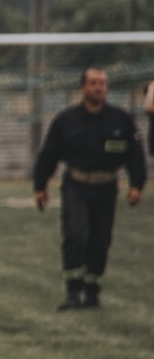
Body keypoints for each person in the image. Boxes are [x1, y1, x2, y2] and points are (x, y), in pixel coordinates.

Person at [33, 67, 146, 310]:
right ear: (82, 87)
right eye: (93, 83)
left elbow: (134, 155)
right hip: (76, 185)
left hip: (106, 187)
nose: (98, 88)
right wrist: (40, 186)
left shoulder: (121, 120)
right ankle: (73, 291)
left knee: (100, 238)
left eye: (102, 84)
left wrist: (137, 184)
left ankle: (92, 291)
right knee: (76, 233)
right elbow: (49, 154)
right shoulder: (66, 120)